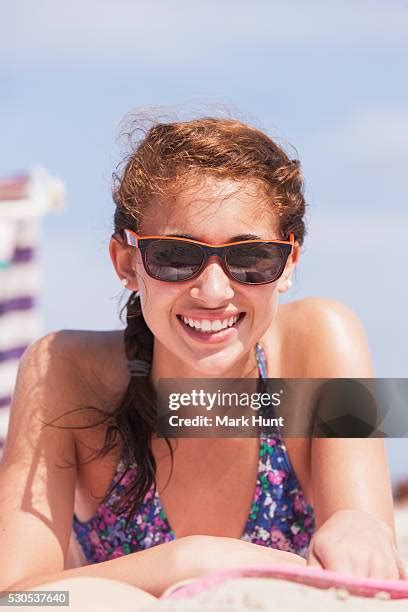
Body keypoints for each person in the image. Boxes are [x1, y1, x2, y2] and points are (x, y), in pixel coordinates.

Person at [0, 115, 404, 604]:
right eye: (175, 256)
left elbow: (367, 546)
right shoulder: (66, 372)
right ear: (127, 263)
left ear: (289, 264)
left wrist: (360, 527)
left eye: (251, 258)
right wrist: (188, 560)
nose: (213, 292)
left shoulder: (320, 342)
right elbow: (20, 598)